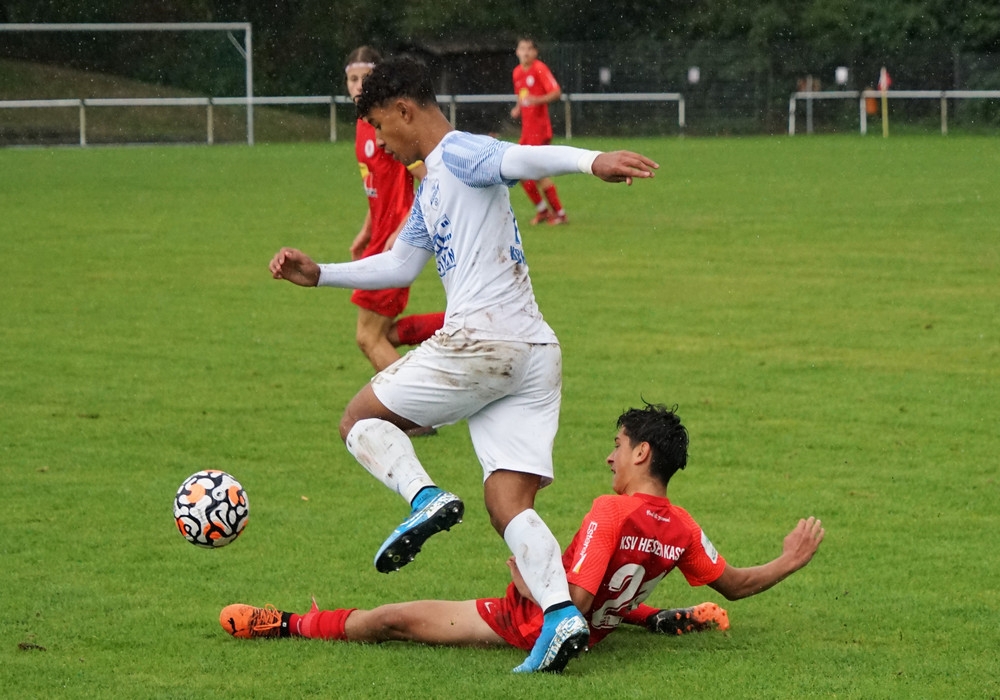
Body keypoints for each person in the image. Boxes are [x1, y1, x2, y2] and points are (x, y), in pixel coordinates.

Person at [267, 55, 659, 673]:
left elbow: (522, 158)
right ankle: (560, 616)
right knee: (509, 504)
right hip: (534, 354)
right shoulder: (431, 185)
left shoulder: (459, 153)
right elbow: (400, 264)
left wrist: (592, 161)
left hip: (482, 342)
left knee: (359, 421)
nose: (379, 143)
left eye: (379, 125)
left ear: (404, 111)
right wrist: (320, 274)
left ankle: (424, 497)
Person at [220, 403, 825, 674]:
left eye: (617, 445)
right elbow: (737, 585)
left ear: (642, 453)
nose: (609, 457)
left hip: (528, 623)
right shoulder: (684, 526)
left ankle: (286, 624)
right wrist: (789, 560)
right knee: (600, 596)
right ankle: (663, 618)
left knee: (393, 621)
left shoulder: (612, 510)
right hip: (600, 623)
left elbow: (572, 606)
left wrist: (526, 582)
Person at [343, 46, 445, 372]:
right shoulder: (365, 126)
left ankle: (412, 406)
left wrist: (402, 230)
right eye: (353, 79)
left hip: (394, 242)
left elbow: (429, 179)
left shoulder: (389, 127)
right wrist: (367, 231)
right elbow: (378, 189)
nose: (358, 85)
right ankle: (463, 323)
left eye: (366, 78)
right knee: (380, 335)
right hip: (380, 239)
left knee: (368, 337)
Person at [510, 37, 567, 225]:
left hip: (540, 130)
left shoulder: (539, 68)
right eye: (522, 48)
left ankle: (559, 214)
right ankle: (544, 211)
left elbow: (556, 92)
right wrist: (518, 107)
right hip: (527, 132)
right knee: (518, 171)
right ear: (517, 51)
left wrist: (537, 100)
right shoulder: (517, 72)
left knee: (536, 172)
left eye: (529, 49)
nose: (525, 52)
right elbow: (522, 95)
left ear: (535, 52)